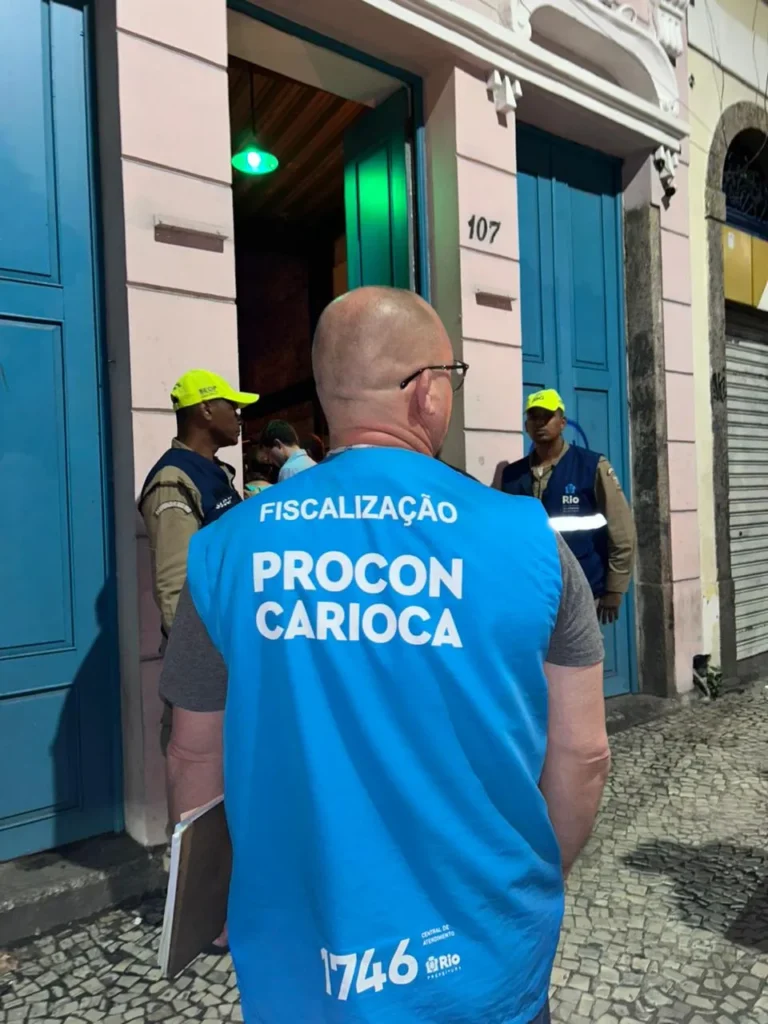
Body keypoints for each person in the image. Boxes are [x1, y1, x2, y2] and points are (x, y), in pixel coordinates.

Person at [160, 288, 610, 1024]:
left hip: (297, 958)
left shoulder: (226, 550)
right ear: (427, 392)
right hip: (482, 960)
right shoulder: (528, 538)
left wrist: (207, 889)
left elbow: (191, 755)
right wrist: (537, 876)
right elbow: (584, 753)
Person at [138, 368, 259, 749]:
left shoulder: (215, 474)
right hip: (209, 668)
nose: (239, 415)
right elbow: (175, 589)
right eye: (232, 406)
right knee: (201, 790)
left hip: (234, 653)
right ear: (205, 410)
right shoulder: (174, 479)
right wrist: (209, 667)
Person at [501, 389, 636, 625]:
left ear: (562, 423)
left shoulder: (592, 466)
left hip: (582, 590)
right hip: (531, 592)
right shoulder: (512, 475)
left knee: (581, 661)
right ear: (526, 425)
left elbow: (621, 529)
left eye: (547, 416)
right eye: (534, 417)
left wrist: (615, 588)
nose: (540, 422)